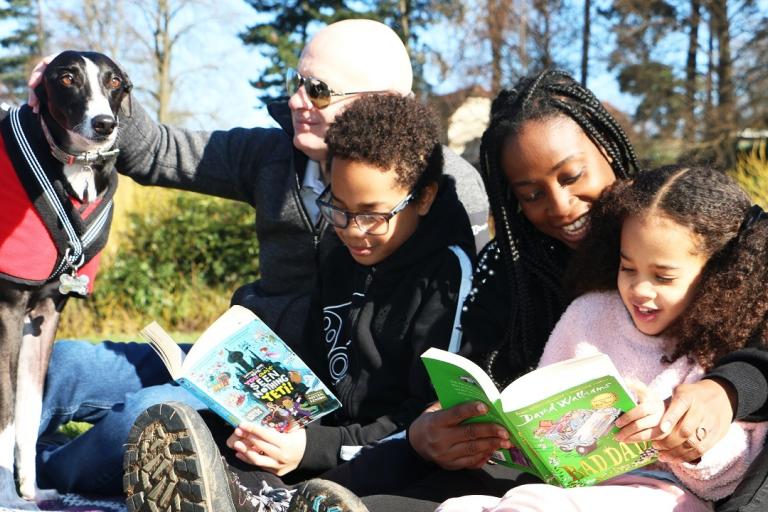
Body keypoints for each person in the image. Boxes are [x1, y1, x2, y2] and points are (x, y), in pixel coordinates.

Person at [29, 19, 489, 495]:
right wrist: (84, 90)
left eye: (319, 91)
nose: (296, 101)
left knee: (149, 418)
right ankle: (20, 458)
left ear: (386, 103)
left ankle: (33, 481)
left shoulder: (442, 184)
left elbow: (455, 322)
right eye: (297, 84)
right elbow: (159, 151)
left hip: (317, 402)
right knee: (65, 365)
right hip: (237, 365)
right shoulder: (271, 154)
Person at [291, 70, 768, 512]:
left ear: (609, 150)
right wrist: (444, 424)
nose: (560, 206)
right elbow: (487, 373)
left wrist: (727, 389)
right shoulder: (518, 271)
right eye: (530, 194)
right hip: (527, 477)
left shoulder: (685, 226)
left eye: (572, 176)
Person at [124, 93, 476, 512]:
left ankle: (266, 499)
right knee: (205, 433)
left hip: (388, 451)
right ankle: (263, 496)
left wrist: (311, 449)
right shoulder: (337, 248)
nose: (350, 229)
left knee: (375, 481)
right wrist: (266, 422)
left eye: (371, 215)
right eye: (338, 208)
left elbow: (423, 425)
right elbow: (313, 362)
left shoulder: (449, 278)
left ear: (423, 197)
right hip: (317, 436)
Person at [436, 164, 768, 512]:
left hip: (665, 497)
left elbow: (730, 478)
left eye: (664, 277)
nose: (639, 289)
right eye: (628, 268)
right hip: (567, 489)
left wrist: (674, 441)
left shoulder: (729, 346)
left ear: (719, 275)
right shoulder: (588, 313)